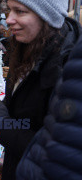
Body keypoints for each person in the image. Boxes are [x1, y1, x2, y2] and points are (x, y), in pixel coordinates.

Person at [0, 0, 80, 180]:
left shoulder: (68, 68)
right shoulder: (26, 47)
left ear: (47, 16)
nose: (9, 19)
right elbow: (23, 110)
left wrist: (1, 124)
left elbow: (55, 155)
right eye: (9, 9)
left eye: (20, 11)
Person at [16, 35, 82, 179]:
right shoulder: (26, 50)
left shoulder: (58, 60)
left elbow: (64, 150)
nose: (10, 19)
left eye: (21, 11)